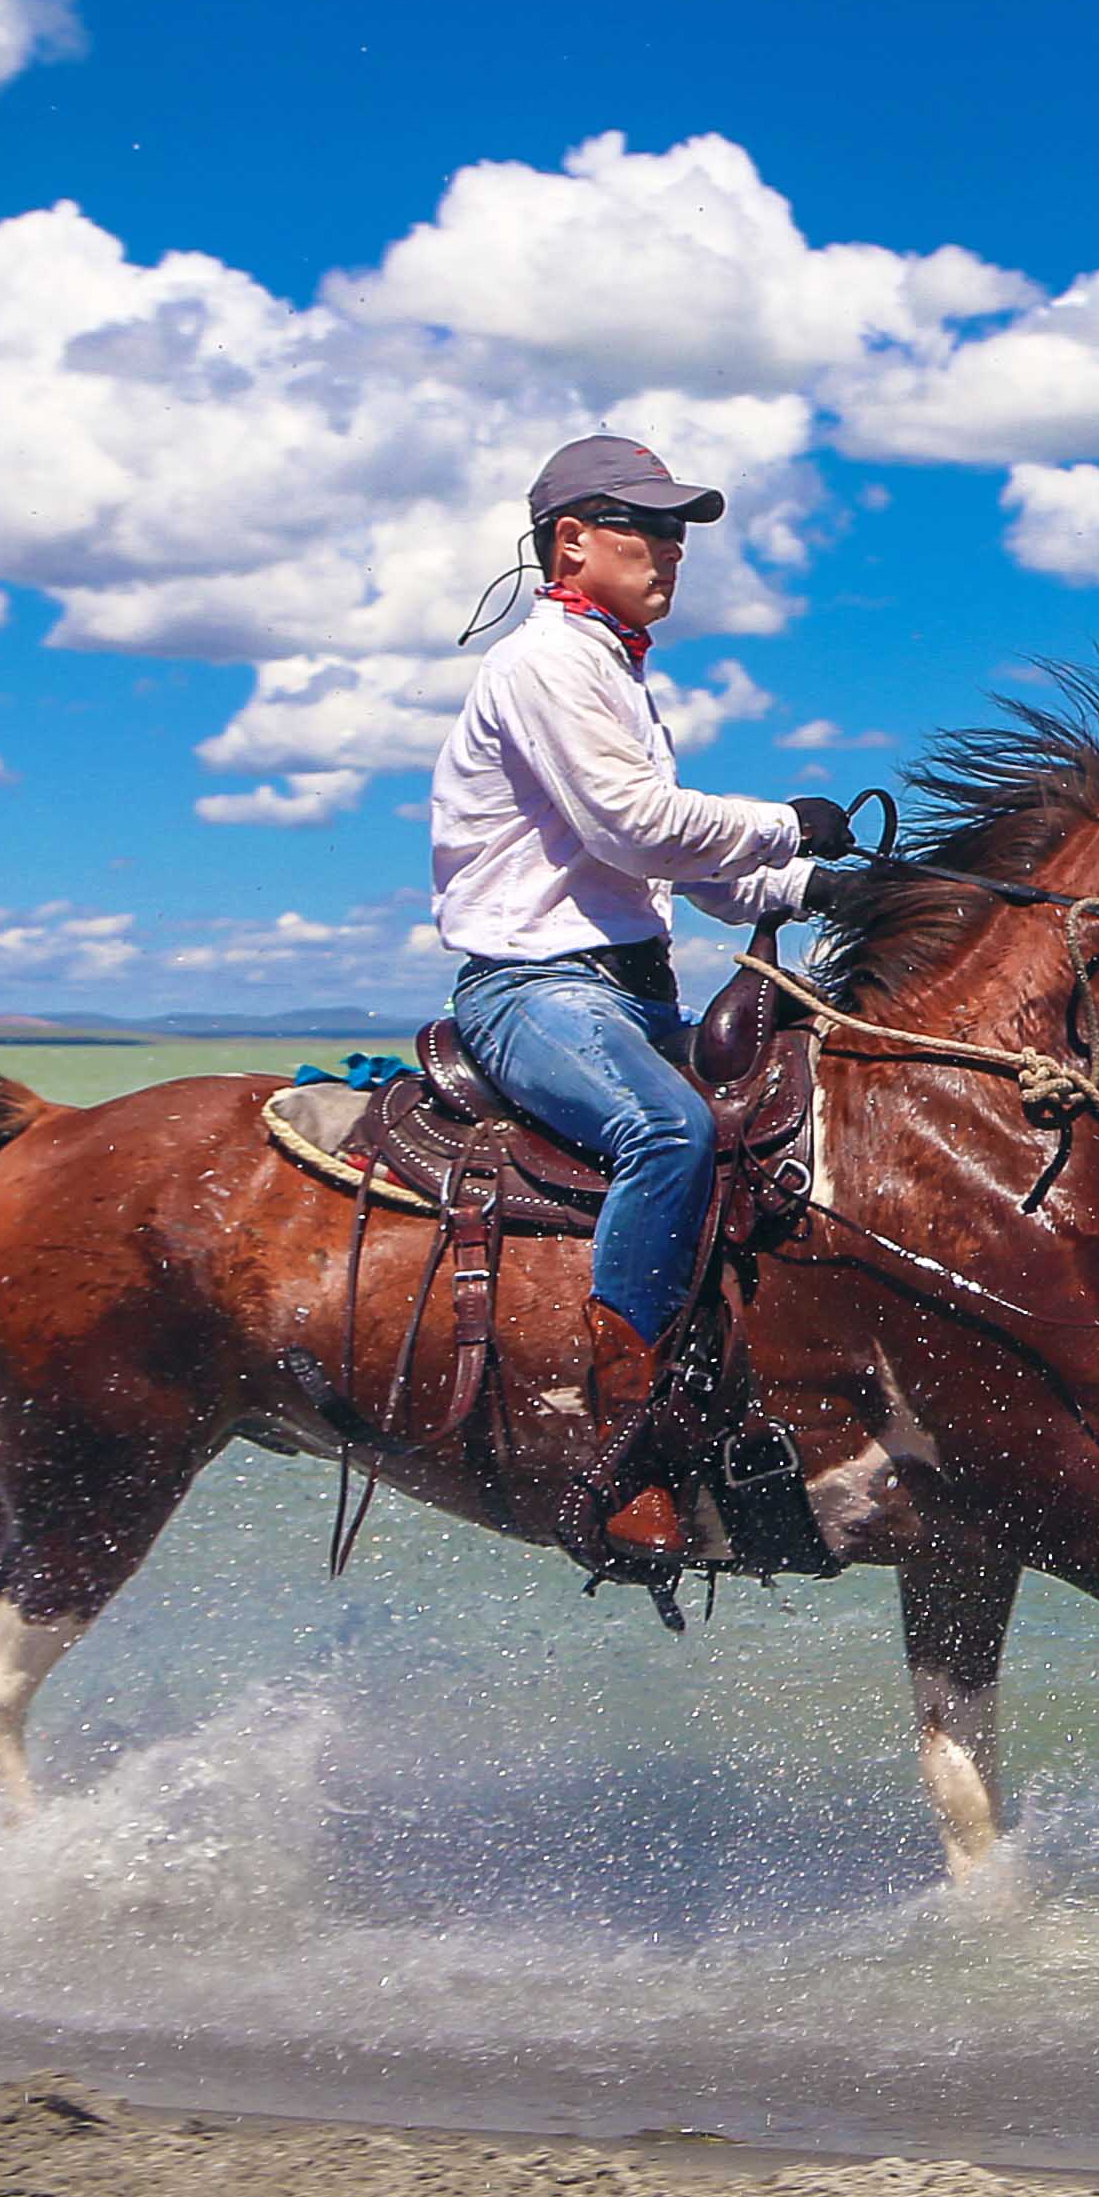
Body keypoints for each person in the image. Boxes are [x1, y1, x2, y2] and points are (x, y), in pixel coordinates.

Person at [424, 434, 860, 1571]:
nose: (671, 549)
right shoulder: (544, 664)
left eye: (678, 532)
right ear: (571, 540)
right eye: (648, 527)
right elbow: (634, 825)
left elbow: (683, 873)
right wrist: (785, 824)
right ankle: (622, 1441)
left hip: (621, 989)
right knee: (667, 1131)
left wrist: (823, 889)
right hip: (532, 989)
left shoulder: (611, 669)